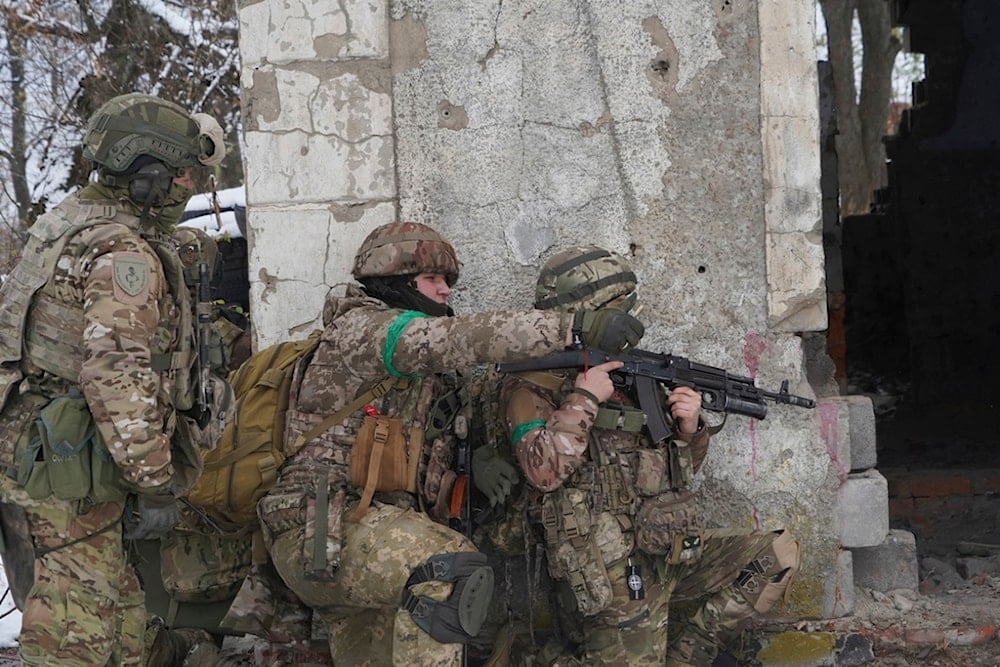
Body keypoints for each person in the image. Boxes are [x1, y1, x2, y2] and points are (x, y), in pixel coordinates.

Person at [245, 222, 644, 666]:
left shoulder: (425, 378)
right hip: (320, 532)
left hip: (361, 543)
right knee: (449, 570)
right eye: (433, 279)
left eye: (448, 282)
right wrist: (574, 327)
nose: (445, 291)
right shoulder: (364, 331)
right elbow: (456, 340)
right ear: (395, 280)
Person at [0, 92, 227, 665]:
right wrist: (153, 481)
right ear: (145, 173)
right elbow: (116, 376)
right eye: (180, 175)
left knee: (121, 616)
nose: (188, 187)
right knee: (76, 630)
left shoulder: (67, 223)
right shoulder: (120, 250)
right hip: (72, 463)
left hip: (43, 443)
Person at [496, 245, 801, 666]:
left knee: (776, 556)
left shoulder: (633, 374)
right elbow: (542, 471)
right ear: (587, 312)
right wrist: (585, 397)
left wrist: (689, 429)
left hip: (669, 549)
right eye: (619, 307)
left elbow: (680, 471)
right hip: (610, 569)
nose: (630, 316)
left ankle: (689, 656)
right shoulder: (534, 384)